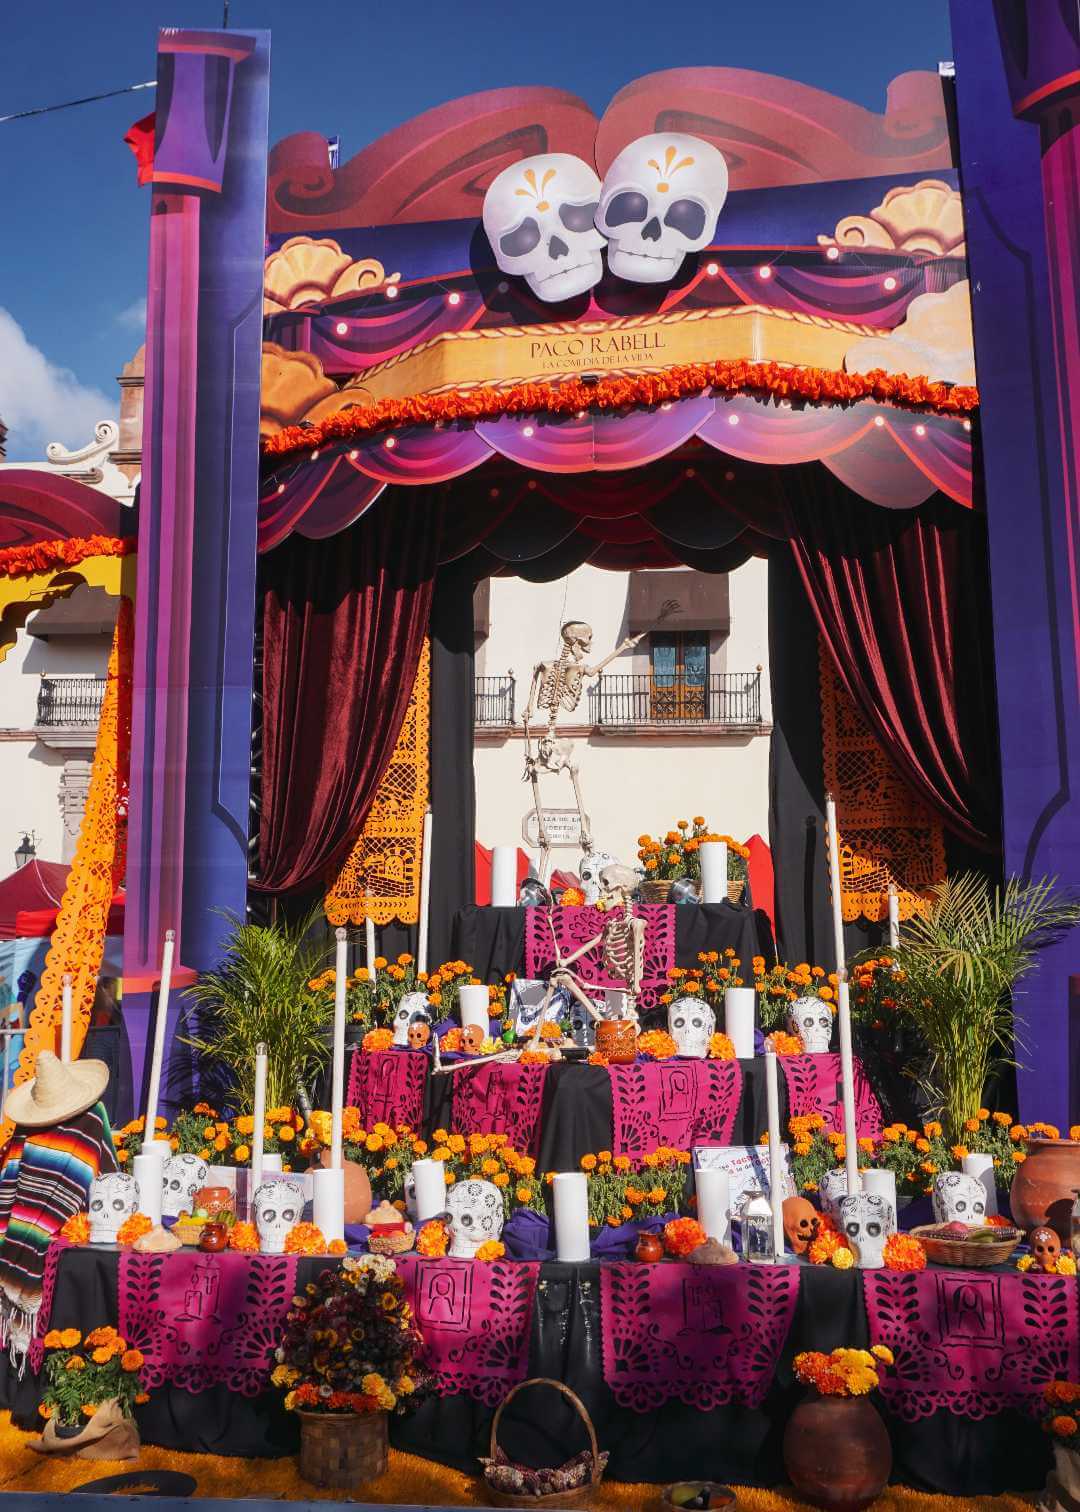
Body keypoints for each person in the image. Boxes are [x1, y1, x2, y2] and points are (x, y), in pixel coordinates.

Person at [0, 1051, 115, 1363]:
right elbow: (109, 1177)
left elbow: (7, 1186)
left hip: (56, 1244)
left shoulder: (86, 1119)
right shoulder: (92, 1117)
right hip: (72, 1243)